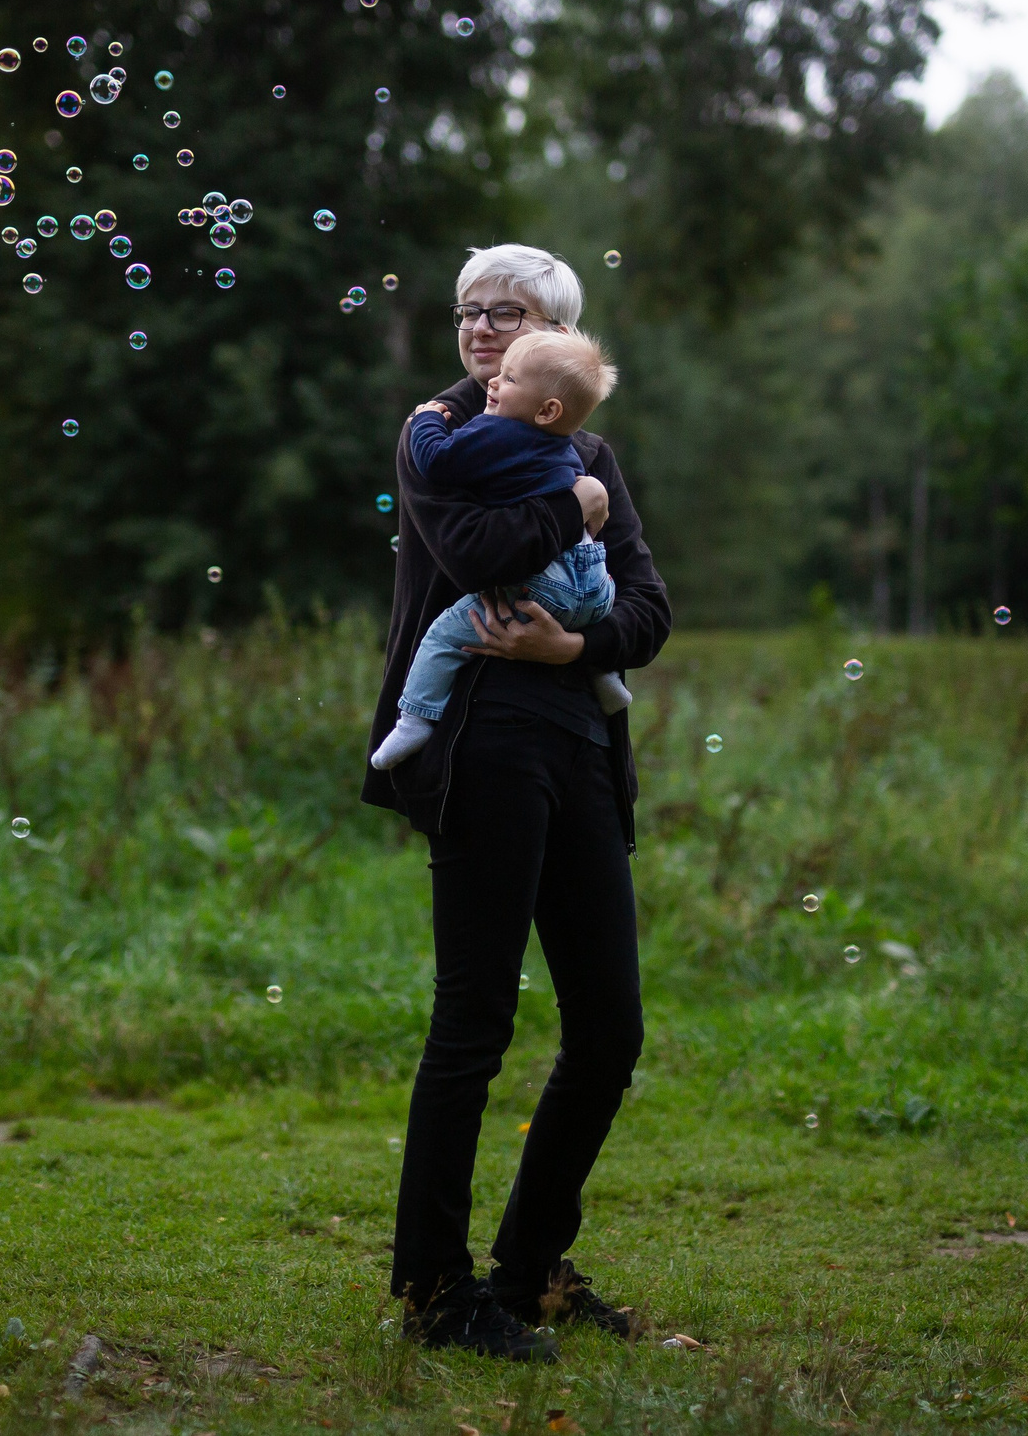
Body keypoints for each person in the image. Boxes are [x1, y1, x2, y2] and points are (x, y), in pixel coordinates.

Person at [364, 244, 671, 1362]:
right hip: (479, 747)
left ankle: (531, 1266)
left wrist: (571, 642)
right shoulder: (436, 432)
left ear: (557, 335)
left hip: (582, 749)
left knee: (609, 1027)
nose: (480, 329)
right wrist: (570, 506)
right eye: (466, 312)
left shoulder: (593, 449)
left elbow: (648, 609)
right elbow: (474, 544)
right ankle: (436, 1289)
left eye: (507, 313)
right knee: (475, 1017)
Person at [371, 329, 630, 769]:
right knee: (580, 612)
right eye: (469, 313)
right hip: (595, 586)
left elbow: (437, 459)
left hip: (545, 589)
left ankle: (414, 719)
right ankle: (604, 677)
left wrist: (426, 419)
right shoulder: (566, 444)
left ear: (548, 409)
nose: (494, 383)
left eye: (510, 379)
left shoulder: (500, 433)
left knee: (442, 636)